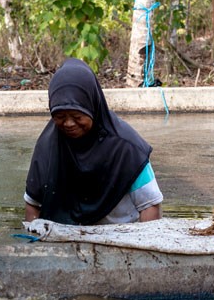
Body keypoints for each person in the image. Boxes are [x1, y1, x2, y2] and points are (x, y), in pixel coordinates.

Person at [24, 58, 163, 225]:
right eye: (60, 116)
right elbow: (33, 204)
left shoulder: (126, 148)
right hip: (67, 235)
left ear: (93, 109)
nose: (68, 124)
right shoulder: (48, 146)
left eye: (77, 117)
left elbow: (150, 205)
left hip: (122, 234)